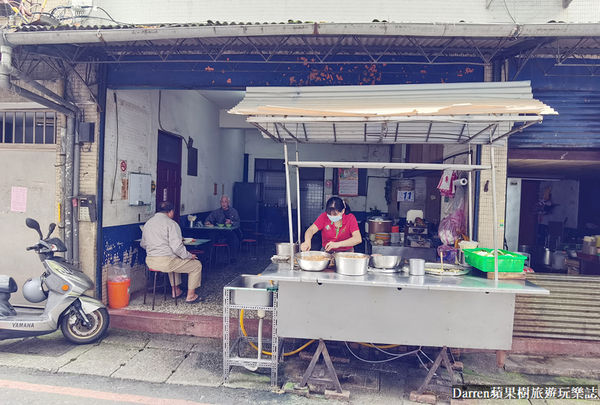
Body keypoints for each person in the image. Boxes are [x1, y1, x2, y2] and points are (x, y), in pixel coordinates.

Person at [141, 201, 203, 303]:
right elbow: (177, 248)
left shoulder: (148, 223)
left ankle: (176, 291)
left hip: (150, 262)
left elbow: (143, 244)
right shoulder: (171, 224)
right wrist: (189, 256)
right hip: (166, 263)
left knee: (175, 260)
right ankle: (191, 296)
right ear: (170, 212)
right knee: (196, 265)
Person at [205, 195, 241, 261]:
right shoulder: (216, 212)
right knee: (211, 237)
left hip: (230, 232)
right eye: (222, 202)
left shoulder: (234, 211)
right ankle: (209, 257)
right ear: (220, 203)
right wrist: (208, 222)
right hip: (219, 232)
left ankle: (232, 258)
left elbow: (238, 223)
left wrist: (231, 222)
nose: (223, 204)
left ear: (228, 203)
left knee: (234, 239)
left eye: (225, 202)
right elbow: (209, 219)